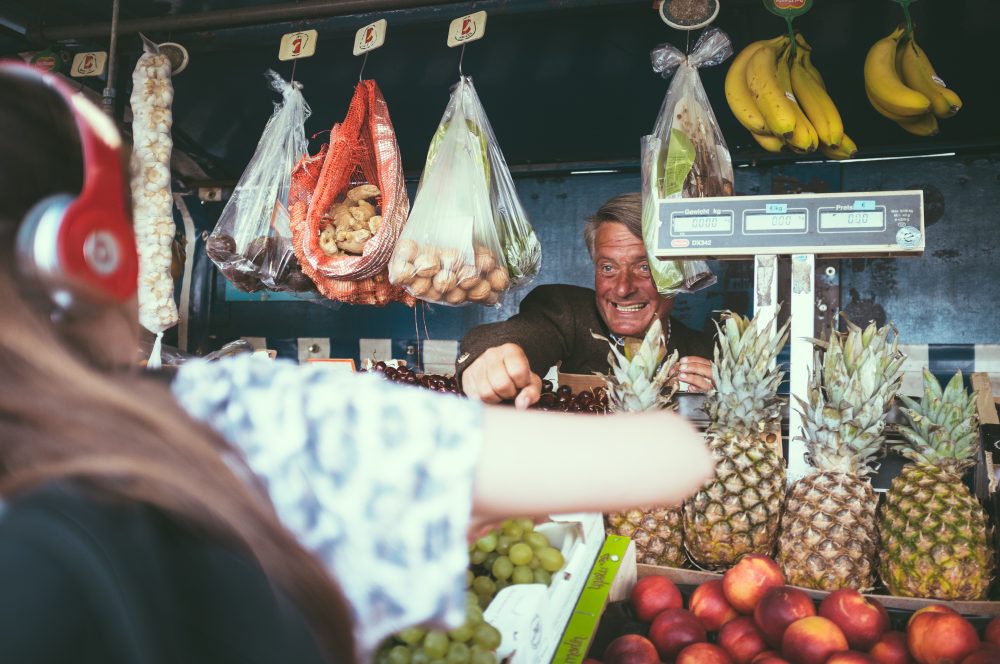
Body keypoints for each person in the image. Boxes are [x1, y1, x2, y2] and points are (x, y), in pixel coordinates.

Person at [0, 61, 714, 664]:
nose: (623, 286)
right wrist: (491, 366)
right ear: (93, 255)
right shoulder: (239, 418)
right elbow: (665, 456)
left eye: (643, 268)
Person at [457, 192, 716, 408]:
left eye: (645, 268)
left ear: (678, 273)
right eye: (608, 268)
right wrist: (493, 357)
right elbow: (523, 333)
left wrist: (717, 403)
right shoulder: (567, 313)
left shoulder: (705, 353)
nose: (623, 288)